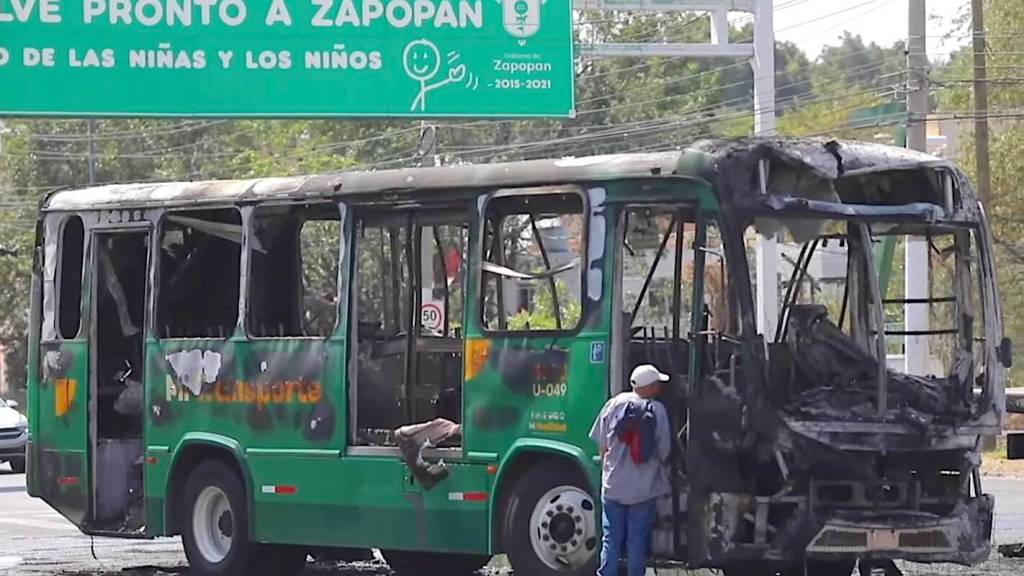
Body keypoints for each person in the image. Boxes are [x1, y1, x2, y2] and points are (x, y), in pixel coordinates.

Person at [589, 364, 672, 576]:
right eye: (657, 383)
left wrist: (608, 467)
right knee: (637, 541)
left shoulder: (613, 404)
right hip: (643, 490)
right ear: (650, 386)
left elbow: (602, 444)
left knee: (611, 539)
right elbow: (664, 450)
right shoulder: (657, 410)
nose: (659, 387)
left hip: (613, 487)